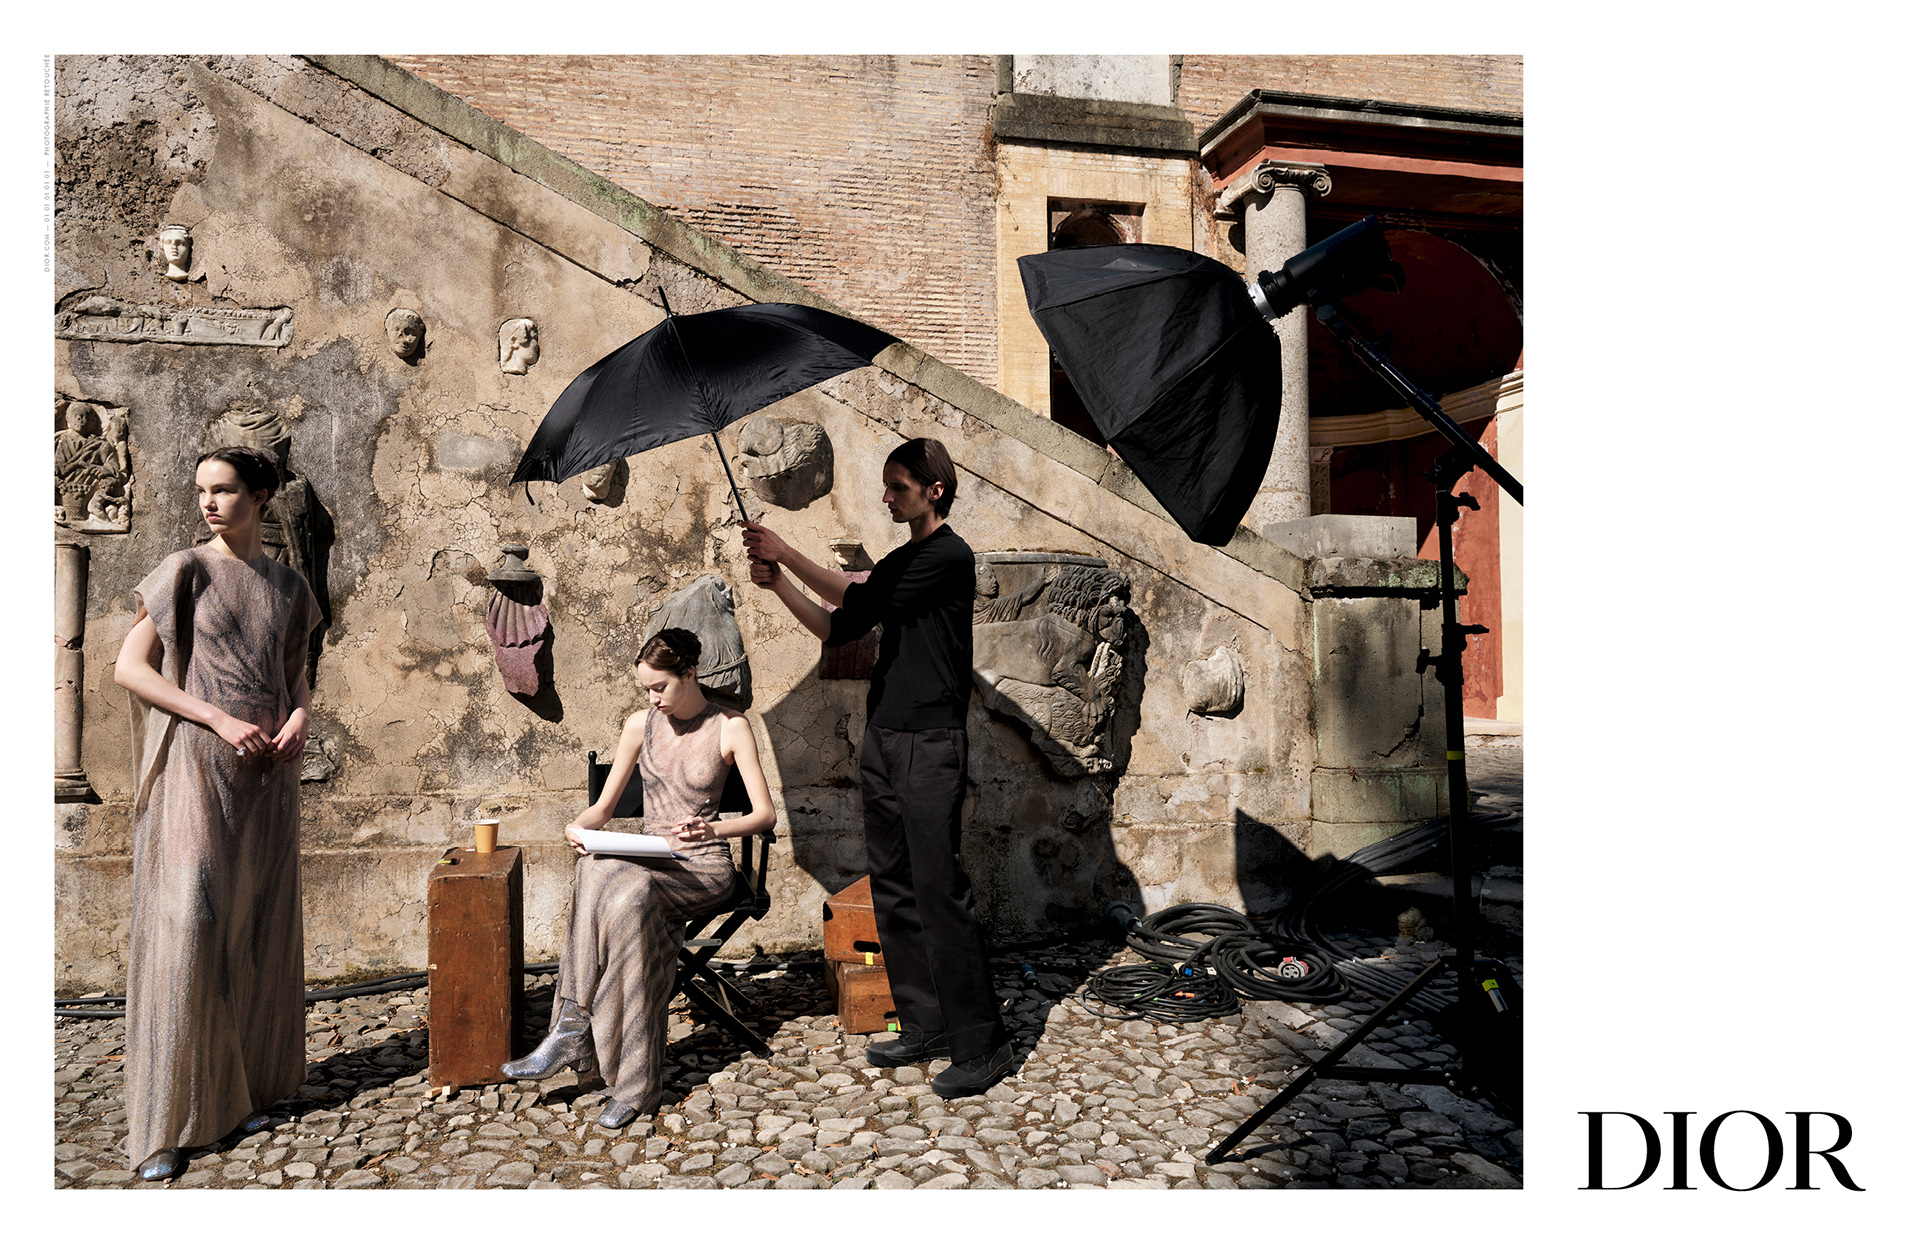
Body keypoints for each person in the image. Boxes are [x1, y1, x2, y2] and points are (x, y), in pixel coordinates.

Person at [743, 437, 1012, 1099]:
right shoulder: (901, 560)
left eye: (898, 487)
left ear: (934, 490)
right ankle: (924, 1023)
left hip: (930, 745)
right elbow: (839, 628)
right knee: (892, 886)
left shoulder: (948, 557)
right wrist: (779, 584)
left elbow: (859, 601)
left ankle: (983, 1044)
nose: (887, 497)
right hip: (885, 738)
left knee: (938, 891)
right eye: (886, 486)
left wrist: (786, 552)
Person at [112, 447, 323, 1180]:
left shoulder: (289, 585)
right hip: (197, 768)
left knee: (253, 925)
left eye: (225, 490)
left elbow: (296, 676)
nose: (208, 502)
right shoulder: (184, 570)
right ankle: (166, 1123)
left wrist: (300, 718)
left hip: (268, 778)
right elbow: (128, 668)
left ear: (260, 496)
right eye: (202, 489)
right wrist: (215, 717)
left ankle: (243, 1094)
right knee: (190, 923)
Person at [503, 628, 775, 1128]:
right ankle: (620, 1071)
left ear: (689, 674)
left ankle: (574, 1033)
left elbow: (764, 815)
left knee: (631, 891)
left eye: (660, 687)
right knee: (601, 872)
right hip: (649, 862)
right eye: (646, 689)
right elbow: (604, 808)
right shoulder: (639, 726)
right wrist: (578, 828)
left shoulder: (730, 727)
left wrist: (712, 828)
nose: (652, 698)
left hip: (703, 866)